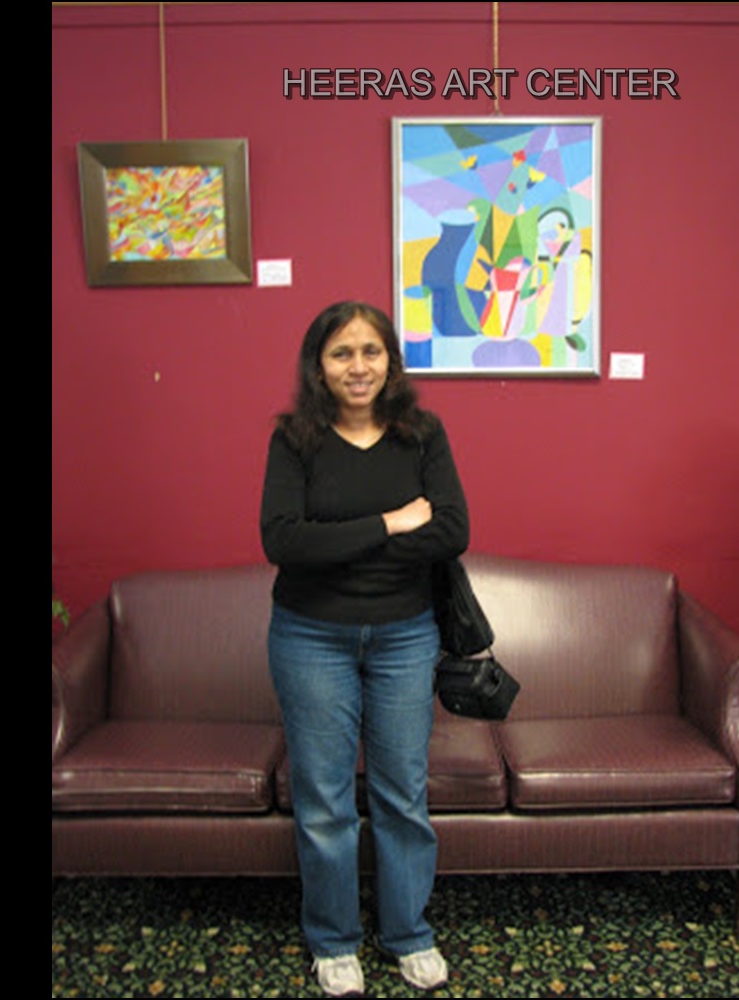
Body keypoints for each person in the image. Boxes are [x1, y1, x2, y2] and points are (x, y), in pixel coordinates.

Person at [259, 301, 469, 997]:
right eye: (341, 353)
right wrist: (389, 523)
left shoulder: (422, 434)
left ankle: (408, 933)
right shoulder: (294, 439)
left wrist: (338, 542)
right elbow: (283, 541)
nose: (358, 367)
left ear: (391, 361)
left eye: (371, 351)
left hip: (406, 635)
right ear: (318, 366)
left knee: (402, 793)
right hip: (310, 636)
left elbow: (453, 531)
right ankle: (334, 940)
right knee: (324, 800)